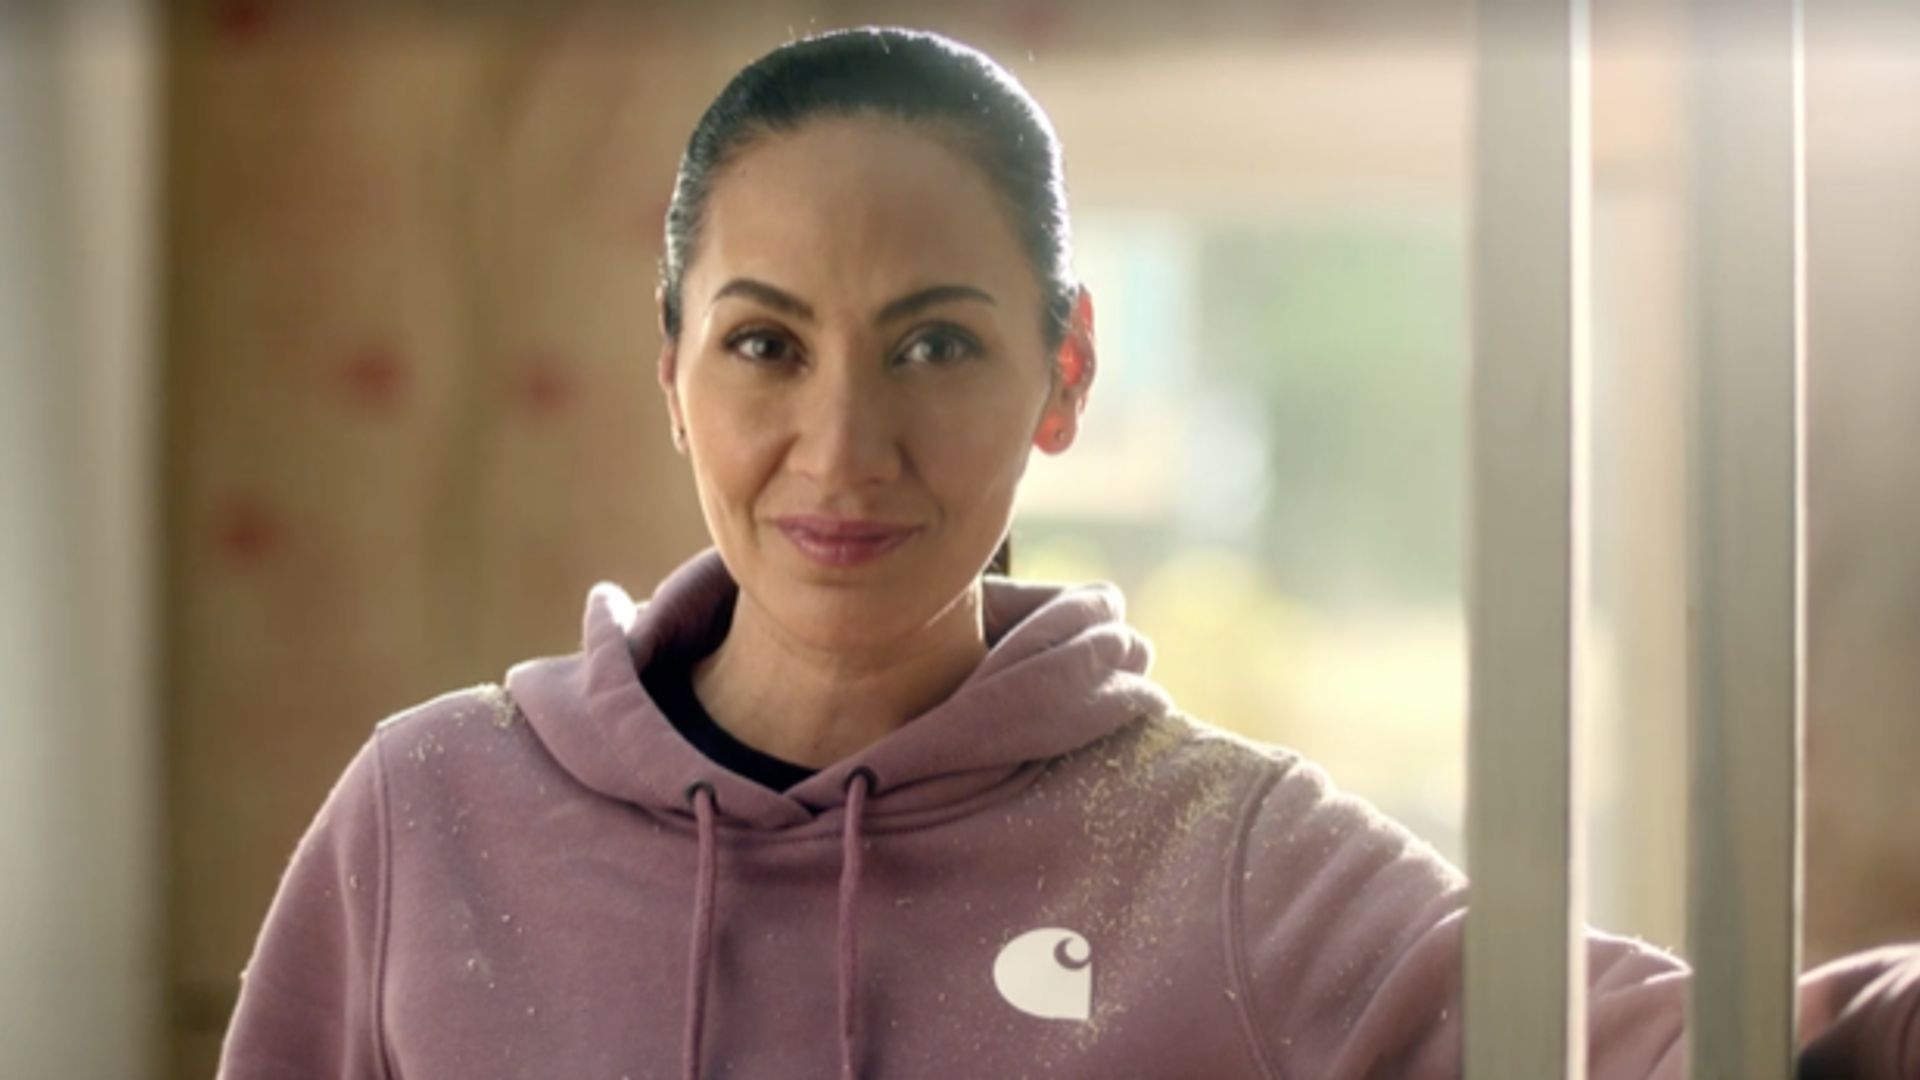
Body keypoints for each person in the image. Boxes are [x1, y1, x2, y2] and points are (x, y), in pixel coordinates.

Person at [219, 26, 1919, 1080]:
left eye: (936, 343)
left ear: (1066, 374)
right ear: (672, 375)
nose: (844, 445)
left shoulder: (1227, 859)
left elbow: (1707, 1051)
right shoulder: (426, 818)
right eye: (765, 344)